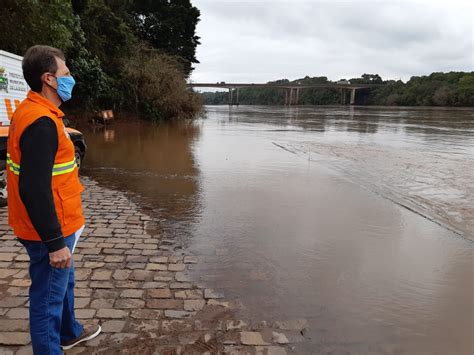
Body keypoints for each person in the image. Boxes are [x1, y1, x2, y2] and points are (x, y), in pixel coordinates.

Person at [6, 45, 101, 354]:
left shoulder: (37, 111)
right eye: (66, 73)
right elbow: (33, 189)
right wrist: (55, 243)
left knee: (64, 282)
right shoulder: (41, 123)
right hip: (50, 228)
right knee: (47, 296)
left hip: (62, 221)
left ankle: (69, 330)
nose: (71, 78)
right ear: (48, 79)